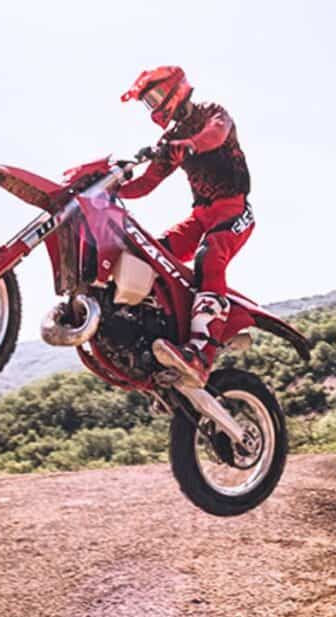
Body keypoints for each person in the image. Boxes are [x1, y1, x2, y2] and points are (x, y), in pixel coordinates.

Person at [119, 65, 255, 388]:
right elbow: (145, 184)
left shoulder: (213, 113)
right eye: (147, 101)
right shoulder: (170, 141)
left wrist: (189, 145)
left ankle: (203, 353)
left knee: (209, 255)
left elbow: (215, 135)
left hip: (233, 211)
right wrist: (112, 186)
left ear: (174, 90)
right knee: (151, 253)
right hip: (200, 216)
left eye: (154, 97)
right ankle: (161, 335)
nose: (152, 106)